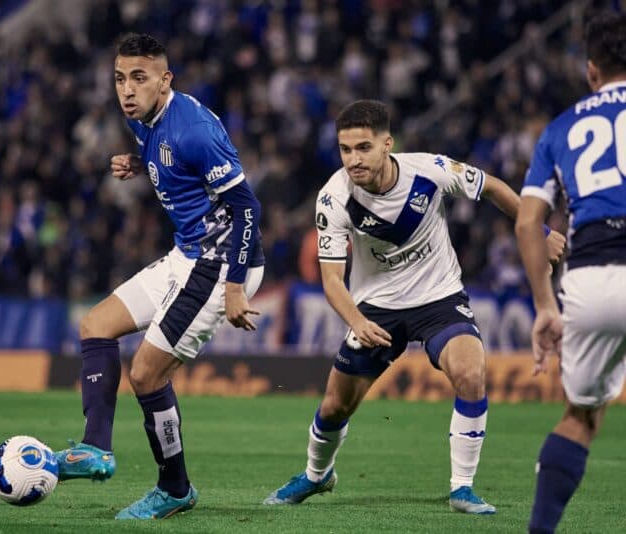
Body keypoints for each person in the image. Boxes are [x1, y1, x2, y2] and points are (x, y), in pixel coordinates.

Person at [263, 99, 565, 513]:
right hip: (375, 309)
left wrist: (540, 230)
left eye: (364, 148)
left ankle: (462, 487)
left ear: (388, 144)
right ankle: (317, 475)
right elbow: (331, 280)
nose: (353, 159)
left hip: (438, 298)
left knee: (470, 371)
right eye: (345, 150)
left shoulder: (430, 170)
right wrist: (356, 320)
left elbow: (492, 186)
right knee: (335, 405)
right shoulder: (333, 198)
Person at [54, 33, 265, 520]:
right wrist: (142, 163)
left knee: (146, 373)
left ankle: (174, 489)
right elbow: (179, 172)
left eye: (139, 78)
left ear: (164, 80)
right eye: (120, 79)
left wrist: (235, 287)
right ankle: (95, 449)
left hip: (221, 262)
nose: (127, 89)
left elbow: (246, 208)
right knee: (96, 325)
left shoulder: (192, 130)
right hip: (187, 253)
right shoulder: (146, 120)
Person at [514, 12, 626, 534]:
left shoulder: (561, 128)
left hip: (593, 276)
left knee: (582, 414)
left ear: (591, 71)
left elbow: (528, 220)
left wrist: (544, 305)